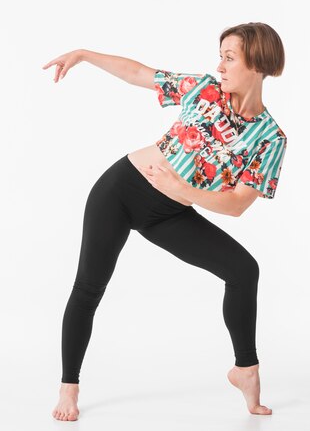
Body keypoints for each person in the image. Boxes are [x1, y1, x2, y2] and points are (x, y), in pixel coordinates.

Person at [42, 22, 287, 421]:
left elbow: (238, 205)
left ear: (257, 63)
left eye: (229, 57)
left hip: (171, 210)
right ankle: (69, 387)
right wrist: (84, 54)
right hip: (121, 192)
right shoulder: (206, 89)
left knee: (244, 270)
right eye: (220, 56)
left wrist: (183, 191)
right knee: (89, 286)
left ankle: (246, 371)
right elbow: (140, 73)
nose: (220, 66)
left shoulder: (270, 138)